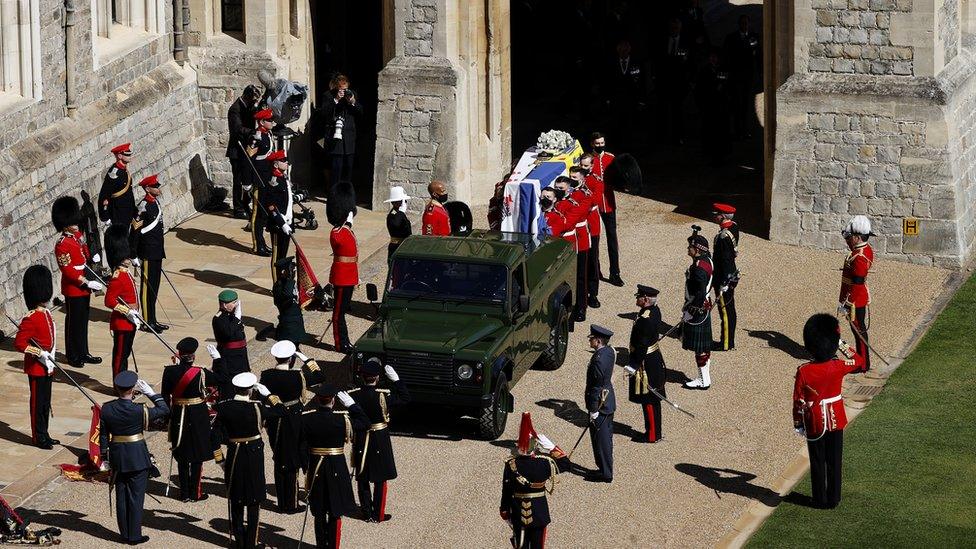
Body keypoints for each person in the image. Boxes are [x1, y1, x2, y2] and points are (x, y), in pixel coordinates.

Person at [793, 314, 867, 509]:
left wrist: (799, 423)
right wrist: (841, 343)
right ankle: (833, 498)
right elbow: (858, 360)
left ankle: (819, 499)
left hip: (815, 420)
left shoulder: (804, 371)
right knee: (835, 461)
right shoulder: (838, 366)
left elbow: (798, 401)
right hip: (835, 418)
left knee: (817, 462)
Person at [212, 372, 286, 549]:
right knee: (253, 500)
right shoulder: (258, 407)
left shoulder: (224, 407)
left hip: (234, 454)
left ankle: (239, 542)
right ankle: (251, 543)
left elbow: (213, 436)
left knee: (236, 499)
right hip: (253, 456)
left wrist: (220, 459)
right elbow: (282, 411)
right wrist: (269, 394)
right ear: (251, 390)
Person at [99, 371, 170, 545]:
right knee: (136, 498)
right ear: (133, 389)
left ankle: (124, 533)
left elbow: (102, 436)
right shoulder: (139, 410)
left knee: (121, 496)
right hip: (137, 456)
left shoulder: (107, 408)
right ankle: (134, 536)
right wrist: (151, 393)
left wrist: (104, 455)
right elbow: (164, 410)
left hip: (117, 457)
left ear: (117, 388)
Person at [300, 384, 369, 548]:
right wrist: (352, 405)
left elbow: (300, 445)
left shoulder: (307, 419)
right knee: (335, 511)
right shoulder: (342, 419)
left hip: (315, 467)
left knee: (318, 511)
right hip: (336, 467)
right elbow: (365, 423)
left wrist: (305, 466)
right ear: (333, 401)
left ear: (317, 400)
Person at [259, 340, 324, 513]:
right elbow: (319, 377)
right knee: (293, 459)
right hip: (294, 419)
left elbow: (262, 398)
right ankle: (292, 503)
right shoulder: (297, 375)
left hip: (274, 419)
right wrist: (305, 358)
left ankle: (282, 502)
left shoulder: (266, 375)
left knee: (279, 456)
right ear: (291, 359)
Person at [348, 358, 409, 522]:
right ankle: (377, 514)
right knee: (380, 477)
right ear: (377, 377)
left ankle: (366, 512)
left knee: (363, 475)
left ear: (362, 376)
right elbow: (405, 398)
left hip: (362, 437)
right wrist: (396, 380)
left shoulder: (354, 396)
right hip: (379, 437)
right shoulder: (382, 396)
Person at [499, 412, 571, 548]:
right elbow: (566, 464)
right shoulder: (544, 463)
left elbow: (506, 490)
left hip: (518, 513)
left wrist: (505, 511)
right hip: (539, 513)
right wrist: (552, 447)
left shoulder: (511, 465)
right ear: (535, 447)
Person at [160, 337, 219, 502]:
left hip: (178, 413)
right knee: (197, 456)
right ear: (193, 356)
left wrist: (169, 414)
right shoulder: (200, 373)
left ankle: (184, 493)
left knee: (182, 453)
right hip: (198, 415)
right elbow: (222, 378)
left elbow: (165, 395)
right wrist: (218, 359)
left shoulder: (169, 371)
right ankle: (196, 493)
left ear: (179, 355)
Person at [52, 196, 104, 368]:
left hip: (83, 284)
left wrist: (92, 255)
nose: (75, 224)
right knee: (74, 322)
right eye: (72, 221)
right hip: (73, 287)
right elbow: (67, 269)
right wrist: (85, 282)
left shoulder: (76, 235)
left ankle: (83, 351)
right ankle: (73, 355)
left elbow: (84, 249)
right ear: (65, 223)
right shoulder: (62, 244)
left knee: (83, 321)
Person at [14, 265, 59, 449]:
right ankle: (38, 437)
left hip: (47, 366)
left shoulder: (47, 313)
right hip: (37, 367)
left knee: (45, 403)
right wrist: (39, 353)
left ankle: (45, 433)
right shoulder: (31, 318)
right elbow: (19, 343)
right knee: (37, 404)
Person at [623, 285, 666, 443]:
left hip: (645, 363)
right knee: (652, 400)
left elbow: (641, 346)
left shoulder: (645, 320)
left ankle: (652, 434)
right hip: (652, 359)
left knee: (648, 400)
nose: (637, 298)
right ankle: (654, 431)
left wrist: (632, 365)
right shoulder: (653, 311)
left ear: (646, 299)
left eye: (639, 297)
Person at [103, 224, 141, 379]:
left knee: (125, 354)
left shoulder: (125, 273)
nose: (128, 259)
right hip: (123, 322)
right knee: (120, 356)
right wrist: (127, 311)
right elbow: (109, 301)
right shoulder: (117, 276)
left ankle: (124, 383)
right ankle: (119, 385)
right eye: (126, 257)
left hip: (131, 320)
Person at [131, 174, 168, 333]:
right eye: (155, 186)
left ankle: (153, 319)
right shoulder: (142, 207)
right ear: (147, 188)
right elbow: (134, 232)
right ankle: (147, 321)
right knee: (147, 288)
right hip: (146, 251)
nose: (158, 188)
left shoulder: (155, 203)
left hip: (157, 250)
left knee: (155, 286)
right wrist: (133, 255)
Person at [838, 215, 875, 371]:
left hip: (855, 301)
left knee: (858, 332)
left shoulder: (859, 257)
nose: (848, 240)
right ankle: (862, 361)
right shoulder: (862, 250)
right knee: (858, 331)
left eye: (851, 237)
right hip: (855, 299)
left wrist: (847, 303)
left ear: (858, 237)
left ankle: (863, 364)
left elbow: (858, 284)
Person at [326, 181, 358, 353]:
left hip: (349, 275)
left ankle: (345, 341)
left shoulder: (345, 229)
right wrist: (348, 223)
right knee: (338, 314)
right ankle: (340, 343)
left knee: (343, 309)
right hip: (341, 276)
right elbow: (339, 239)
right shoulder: (338, 231)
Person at [554, 176, 591, 321]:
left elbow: (568, 224)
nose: (558, 191)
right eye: (556, 188)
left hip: (572, 241)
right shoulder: (554, 202)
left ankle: (581, 307)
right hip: (557, 243)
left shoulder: (573, 203)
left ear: (568, 189)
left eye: (561, 189)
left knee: (580, 277)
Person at [682, 227, 714, 390]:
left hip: (697, 309)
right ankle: (705, 378)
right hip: (704, 306)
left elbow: (700, 291)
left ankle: (703, 380)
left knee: (699, 350)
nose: (688, 249)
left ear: (697, 250)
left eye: (690, 247)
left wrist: (691, 309)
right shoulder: (706, 260)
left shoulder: (698, 268)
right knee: (704, 348)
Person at [589, 133, 623, 287]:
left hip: (608, 203)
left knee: (612, 238)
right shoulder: (588, 159)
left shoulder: (610, 157)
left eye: (602, 142)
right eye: (597, 143)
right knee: (594, 240)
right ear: (592, 144)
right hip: (594, 205)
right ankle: (595, 270)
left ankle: (615, 272)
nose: (600, 145)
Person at [319, 74, 363, 190]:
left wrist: (352, 101)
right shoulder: (328, 96)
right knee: (335, 170)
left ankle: (345, 195)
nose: (344, 91)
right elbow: (324, 113)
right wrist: (336, 100)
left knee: (348, 170)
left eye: (345, 89)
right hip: (335, 139)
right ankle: (334, 195)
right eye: (341, 89)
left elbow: (360, 112)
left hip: (348, 139)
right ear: (337, 87)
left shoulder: (351, 95)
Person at [584, 324, 615, 482]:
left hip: (600, 405)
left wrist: (593, 408)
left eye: (592, 339)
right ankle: (603, 468)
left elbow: (596, 386)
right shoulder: (609, 352)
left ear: (598, 341)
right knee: (603, 439)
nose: (590, 342)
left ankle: (605, 473)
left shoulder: (598, 360)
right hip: (606, 400)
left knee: (601, 441)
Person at [656, 17, 693, 144]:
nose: (674, 30)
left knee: (678, 111)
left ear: (680, 28)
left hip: (679, 82)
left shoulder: (686, 42)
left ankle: (678, 137)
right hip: (664, 81)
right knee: (663, 110)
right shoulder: (662, 41)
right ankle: (662, 136)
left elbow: (692, 62)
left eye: (676, 27)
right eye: (672, 28)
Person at [724, 14, 761, 138]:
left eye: (746, 23)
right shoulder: (731, 38)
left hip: (748, 76)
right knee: (736, 104)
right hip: (735, 76)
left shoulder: (753, 37)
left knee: (746, 104)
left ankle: (745, 130)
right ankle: (737, 130)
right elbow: (727, 56)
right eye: (742, 23)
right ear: (739, 24)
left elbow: (758, 55)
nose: (744, 26)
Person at [261, 150, 294, 284]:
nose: (286, 163)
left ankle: (282, 281)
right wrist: (282, 223)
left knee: (284, 255)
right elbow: (271, 207)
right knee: (277, 256)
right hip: (278, 225)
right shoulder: (272, 181)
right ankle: (276, 284)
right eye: (283, 161)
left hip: (288, 221)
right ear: (275, 164)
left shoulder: (283, 177)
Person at [571, 163, 602, 307]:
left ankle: (593, 293)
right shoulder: (569, 193)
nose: (572, 180)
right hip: (574, 234)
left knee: (592, 261)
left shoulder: (586, 193)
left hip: (587, 228)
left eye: (574, 177)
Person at [227, 85, 260, 218]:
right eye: (252, 100)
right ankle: (238, 208)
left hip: (247, 149)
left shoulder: (248, 106)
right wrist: (253, 132)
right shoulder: (235, 109)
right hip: (237, 149)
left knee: (248, 178)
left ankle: (246, 204)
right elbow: (237, 129)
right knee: (238, 180)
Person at [246, 108, 276, 257]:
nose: (272, 122)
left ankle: (263, 242)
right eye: (269, 120)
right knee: (258, 214)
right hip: (259, 178)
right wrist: (247, 181)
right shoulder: (255, 137)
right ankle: (258, 245)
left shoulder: (268, 134)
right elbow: (248, 161)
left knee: (264, 214)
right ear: (262, 122)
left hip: (267, 176)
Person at [712, 203, 740, 351]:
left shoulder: (723, 236)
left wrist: (725, 281)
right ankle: (729, 341)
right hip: (730, 274)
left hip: (724, 277)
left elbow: (725, 260)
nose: (714, 216)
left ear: (722, 216)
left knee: (725, 311)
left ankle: (726, 343)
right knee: (729, 309)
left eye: (716, 214)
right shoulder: (733, 227)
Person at [213, 289, 250, 399]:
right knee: (230, 384)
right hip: (229, 357)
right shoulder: (219, 319)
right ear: (224, 304)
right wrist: (237, 318)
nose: (236, 305)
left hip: (240, 354)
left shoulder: (231, 315)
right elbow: (228, 333)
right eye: (233, 303)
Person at [98, 143, 137, 229]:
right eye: (127, 155)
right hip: (118, 213)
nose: (130, 156)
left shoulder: (123, 170)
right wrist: (105, 217)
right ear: (119, 156)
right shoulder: (114, 174)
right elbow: (104, 195)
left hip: (127, 211)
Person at [272, 257, 306, 344]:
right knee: (290, 342)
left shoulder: (290, 282)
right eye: (291, 269)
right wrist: (289, 278)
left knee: (297, 340)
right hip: (288, 321)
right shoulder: (279, 286)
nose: (294, 271)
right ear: (284, 271)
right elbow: (288, 295)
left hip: (296, 318)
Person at [384, 186, 412, 259]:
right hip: (397, 246)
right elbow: (396, 224)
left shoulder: (398, 213)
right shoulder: (393, 214)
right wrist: (401, 212)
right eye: (403, 201)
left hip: (403, 245)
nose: (405, 203)